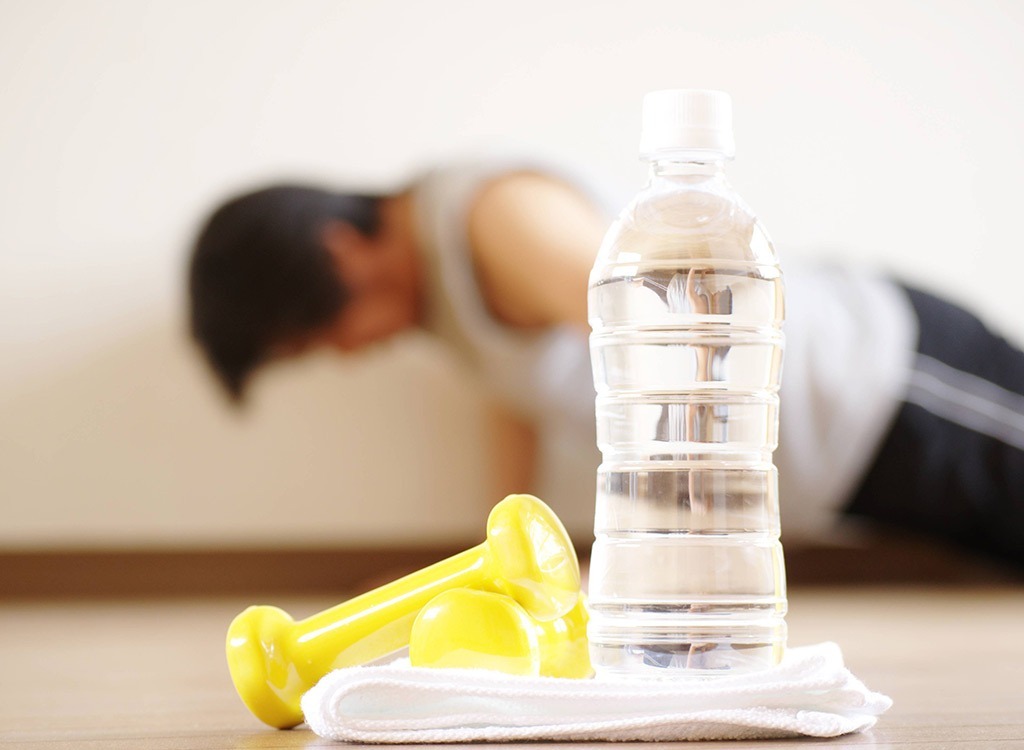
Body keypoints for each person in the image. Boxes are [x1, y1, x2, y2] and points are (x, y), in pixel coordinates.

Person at [187, 161, 1024, 568]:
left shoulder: (487, 216)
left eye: (318, 336)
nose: (343, 355)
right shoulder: (441, 301)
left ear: (337, 253)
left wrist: (674, 558)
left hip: (873, 375)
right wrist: (502, 552)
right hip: (844, 458)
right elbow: (516, 391)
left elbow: (652, 328)